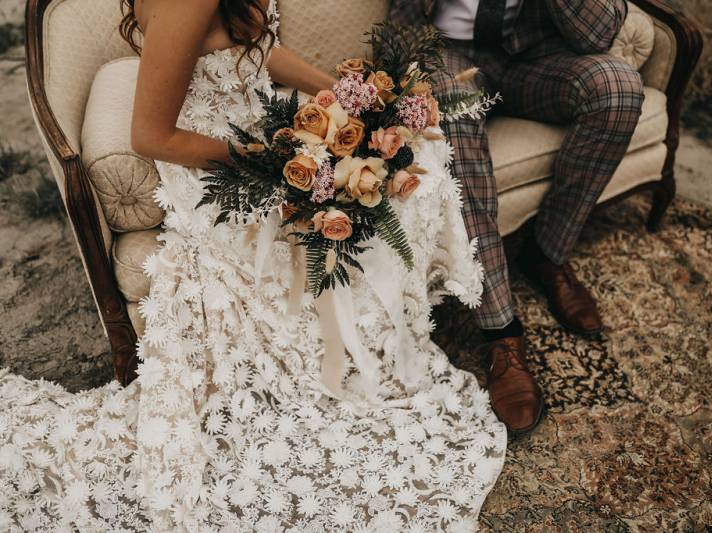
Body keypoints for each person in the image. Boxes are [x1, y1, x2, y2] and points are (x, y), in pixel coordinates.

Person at [0, 1, 507, 530]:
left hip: (261, 128)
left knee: (412, 157)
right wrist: (274, 163)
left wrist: (346, 98)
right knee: (387, 186)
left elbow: (257, 52)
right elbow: (151, 137)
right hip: (221, 167)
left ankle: (391, 324)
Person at [390, 0, 645, 427]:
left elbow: (597, 34)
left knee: (619, 87)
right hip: (447, 51)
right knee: (450, 93)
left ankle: (546, 253)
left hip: (538, 57)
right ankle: (500, 332)